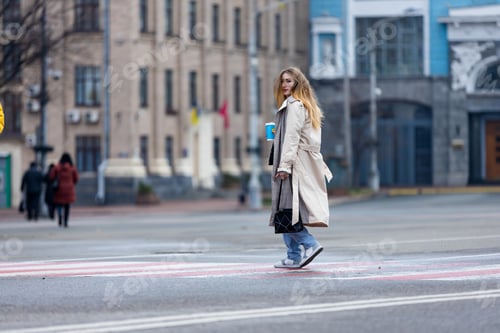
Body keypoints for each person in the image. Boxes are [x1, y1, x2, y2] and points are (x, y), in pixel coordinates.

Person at [269, 67, 333, 269]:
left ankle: (309, 244)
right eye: (282, 81)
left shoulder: (295, 106)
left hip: (294, 164)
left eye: (289, 81)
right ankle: (293, 255)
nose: (284, 85)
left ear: (298, 83)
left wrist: (284, 166)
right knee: (285, 209)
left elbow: (292, 138)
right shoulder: (307, 105)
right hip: (302, 162)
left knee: (285, 210)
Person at [50, 152, 79, 227]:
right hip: (69, 189)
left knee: (59, 204)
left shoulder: (57, 167)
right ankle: (65, 221)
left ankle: (60, 216)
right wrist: (72, 183)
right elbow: (76, 179)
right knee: (67, 206)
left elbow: (51, 177)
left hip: (59, 188)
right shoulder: (72, 168)